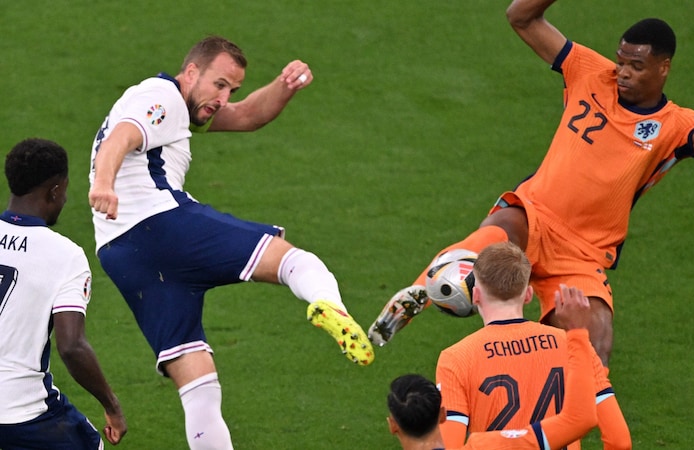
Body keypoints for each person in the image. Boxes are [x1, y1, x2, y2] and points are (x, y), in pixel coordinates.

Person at [369, 0, 694, 368]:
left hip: (582, 254)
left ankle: (557, 428)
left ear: (663, 67)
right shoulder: (587, 70)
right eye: (621, 61)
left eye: (636, 66)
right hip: (533, 213)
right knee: (497, 236)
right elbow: (521, 17)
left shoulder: (675, 126)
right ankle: (421, 289)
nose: (623, 73)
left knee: (594, 350)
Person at [88, 36, 373, 449]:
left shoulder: (178, 110)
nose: (223, 98)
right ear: (190, 73)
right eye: (218, 85)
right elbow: (123, 137)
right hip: (160, 224)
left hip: (120, 253)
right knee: (290, 258)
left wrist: (284, 85)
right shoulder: (162, 95)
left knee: (199, 386)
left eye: (231, 89)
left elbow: (246, 117)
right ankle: (332, 307)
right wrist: (103, 183)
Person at [434, 242, 630, 449]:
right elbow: (619, 441)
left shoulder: (455, 358)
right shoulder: (573, 345)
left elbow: (449, 446)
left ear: (475, 296)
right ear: (528, 295)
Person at [0, 138, 127, 449]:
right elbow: (71, 346)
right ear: (55, 190)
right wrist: (112, 406)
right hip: (20, 413)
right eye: (65, 190)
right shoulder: (65, 255)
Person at [386, 273, 600, 450]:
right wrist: (577, 332)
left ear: (393, 425)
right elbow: (579, 419)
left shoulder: (456, 358)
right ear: (443, 414)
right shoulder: (485, 446)